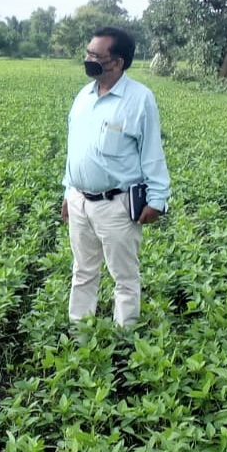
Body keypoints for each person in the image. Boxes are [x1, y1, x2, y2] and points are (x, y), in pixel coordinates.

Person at [62, 26, 171, 329]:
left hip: (116, 204)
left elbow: (152, 152)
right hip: (80, 200)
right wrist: (68, 191)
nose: (88, 59)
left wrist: (157, 199)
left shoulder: (139, 99)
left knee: (124, 277)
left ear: (118, 62)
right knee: (83, 271)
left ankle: (125, 341)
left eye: (96, 56)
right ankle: (80, 333)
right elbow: (75, 148)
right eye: (88, 53)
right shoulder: (83, 96)